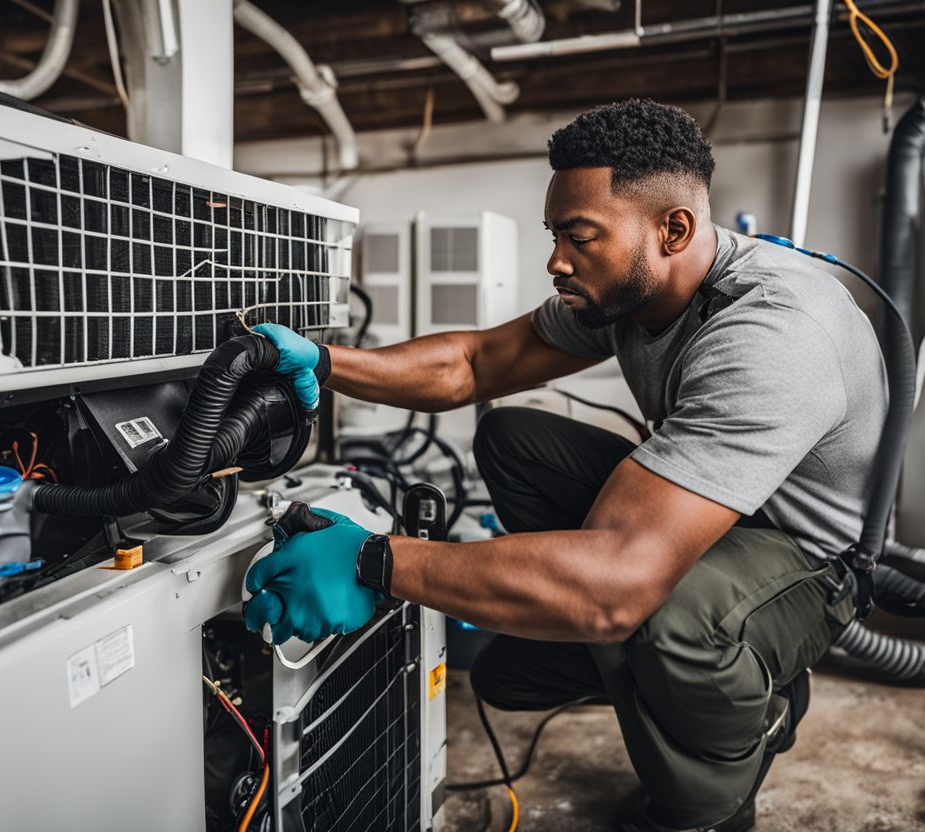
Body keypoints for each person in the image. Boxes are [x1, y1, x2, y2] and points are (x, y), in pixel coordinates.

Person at [243, 99, 886, 832]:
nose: (556, 261)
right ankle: (660, 657)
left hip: (806, 559)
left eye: (579, 237)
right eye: (556, 235)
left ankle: (720, 780)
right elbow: (476, 361)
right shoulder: (628, 293)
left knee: (663, 612)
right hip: (722, 514)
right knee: (514, 447)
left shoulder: (771, 335)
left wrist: (373, 560)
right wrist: (324, 363)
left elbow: (617, 582)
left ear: (672, 230)